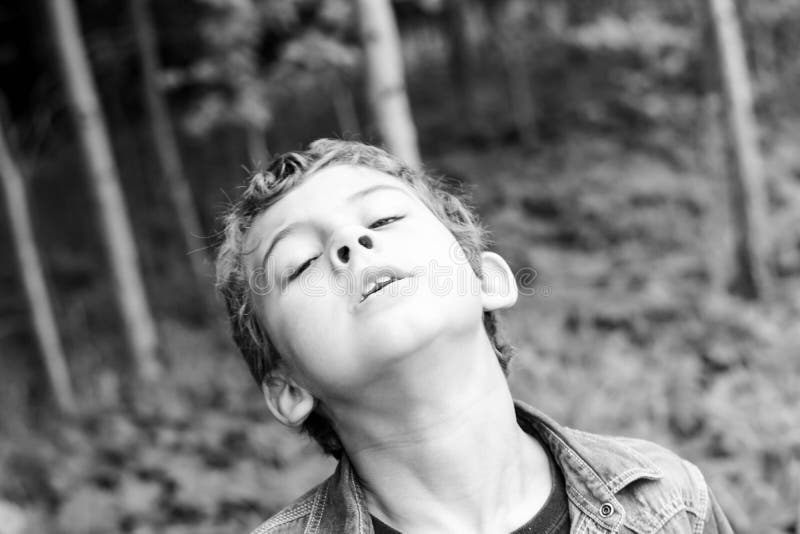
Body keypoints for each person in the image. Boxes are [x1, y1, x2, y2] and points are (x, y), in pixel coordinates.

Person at [215, 139, 734, 534]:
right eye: (301, 263)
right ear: (288, 390)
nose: (350, 241)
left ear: (487, 280)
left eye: (384, 217)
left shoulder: (671, 502)